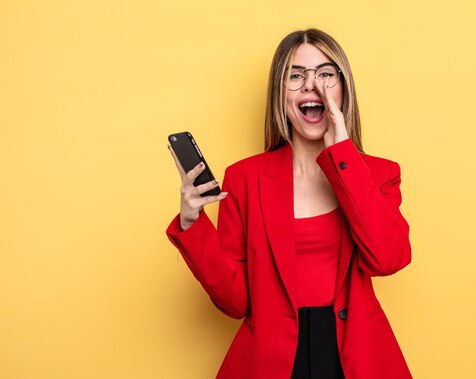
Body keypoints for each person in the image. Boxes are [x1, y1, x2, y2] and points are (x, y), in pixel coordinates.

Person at [165, 28, 413, 379]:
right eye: (295, 76)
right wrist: (193, 224)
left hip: (354, 357)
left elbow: (389, 258)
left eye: (326, 74)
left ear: (344, 90)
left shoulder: (378, 173)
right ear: (279, 95)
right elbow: (235, 302)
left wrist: (342, 155)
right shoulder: (245, 179)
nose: (312, 86)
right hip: (272, 361)